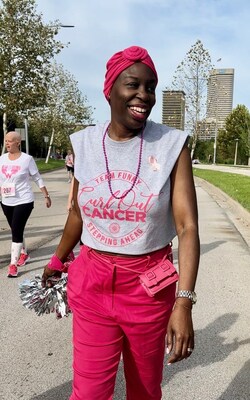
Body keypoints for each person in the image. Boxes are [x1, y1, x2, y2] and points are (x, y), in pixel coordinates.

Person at [42, 45, 200, 400]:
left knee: (144, 392)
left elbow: (188, 227)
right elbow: (77, 213)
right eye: (133, 85)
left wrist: (184, 303)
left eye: (151, 87)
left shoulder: (173, 145)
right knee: (88, 393)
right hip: (92, 282)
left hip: (148, 287)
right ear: (110, 89)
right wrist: (57, 259)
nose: (143, 95)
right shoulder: (83, 144)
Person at [0, 131, 51, 277]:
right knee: (16, 228)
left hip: (24, 200)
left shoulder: (27, 159)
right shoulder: (2, 159)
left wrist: (46, 195)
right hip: (7, 200)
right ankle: (24, 253)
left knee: (16, 231)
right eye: (6, 141)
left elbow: (37, 177)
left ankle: (13, 265)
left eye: (10, 141)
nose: (7, 143)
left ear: (18, 143)